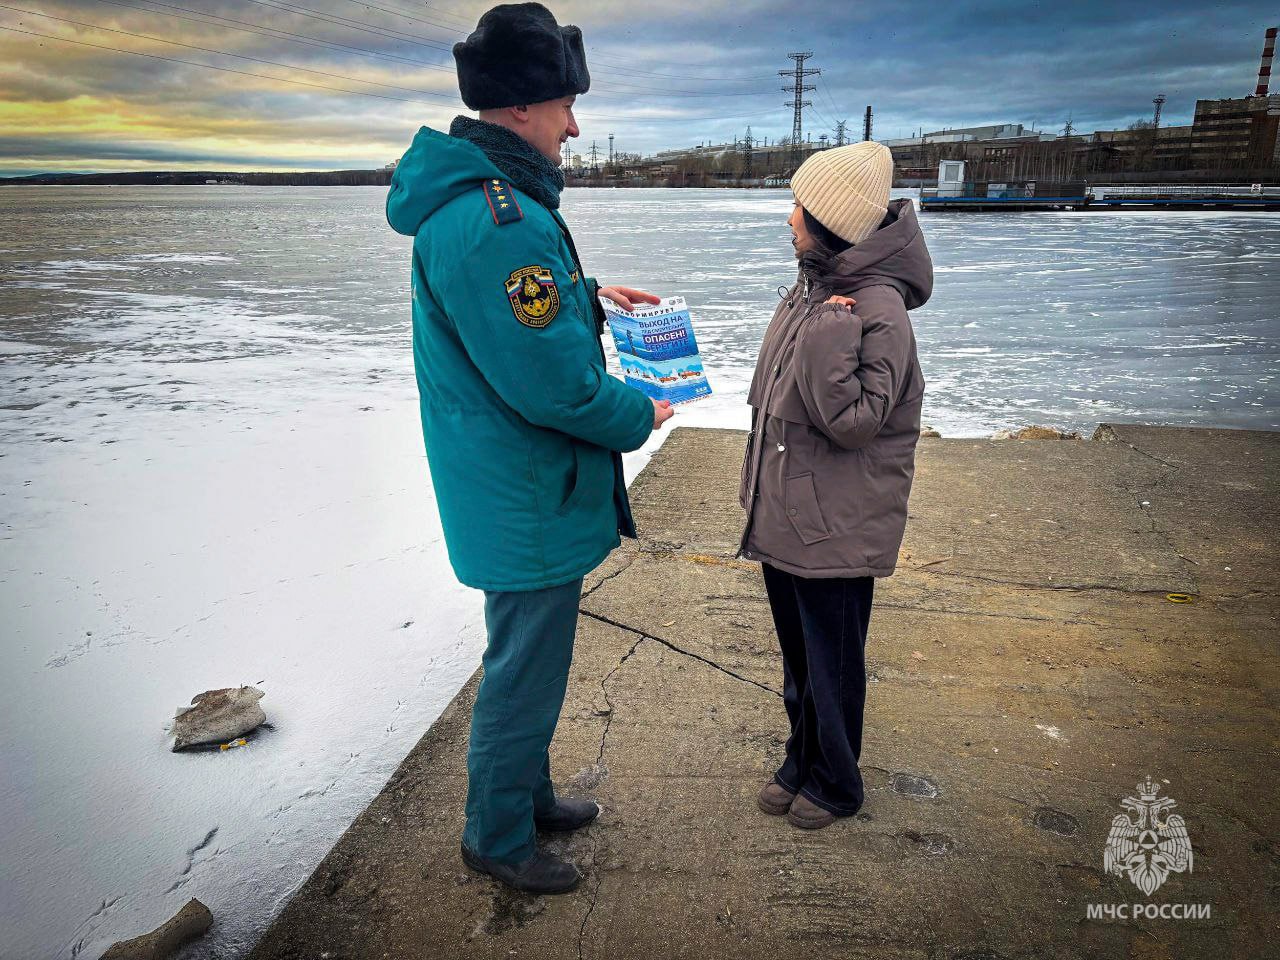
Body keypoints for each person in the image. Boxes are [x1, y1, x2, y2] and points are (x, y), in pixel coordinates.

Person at [386, 2, 674, 895]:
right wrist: (640, 414)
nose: (575, 125)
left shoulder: (490, 205)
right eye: (564, 106)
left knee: (533, 662)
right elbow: (548, 384)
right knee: (523, 669)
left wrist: (585, 294)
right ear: (519, 109)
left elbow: (518, 321)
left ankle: (529, 793)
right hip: (524, 491)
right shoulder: (498, 220)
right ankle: (498, 836)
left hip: (514, 483)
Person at [737, 141, 933, 830]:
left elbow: (855, 422)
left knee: (833, 662)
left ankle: (839, 780)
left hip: (837, 524)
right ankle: (804, 753)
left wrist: (826, 334)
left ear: (829, 221)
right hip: (790, 510)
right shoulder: (813, 288)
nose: (788, 218)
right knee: (799, 657)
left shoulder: (878, 307)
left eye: (798, 206)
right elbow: (774, 396)